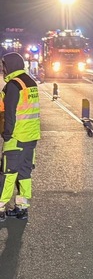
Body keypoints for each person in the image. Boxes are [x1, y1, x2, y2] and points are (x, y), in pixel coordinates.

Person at [0, 51, 41, 221]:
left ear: (9, 66)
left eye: (3, 66)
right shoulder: (30, 82)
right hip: (31, 137)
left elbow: (10, 113)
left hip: (16, 136)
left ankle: (0, 208)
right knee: (24, 174)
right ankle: (22, 208)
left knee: (8, 173)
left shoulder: (13, 85)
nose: (2, 69)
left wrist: (6, 134)